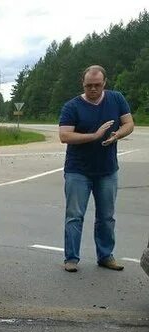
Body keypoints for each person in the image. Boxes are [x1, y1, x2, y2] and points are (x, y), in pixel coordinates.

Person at [59, 65, 134, 273]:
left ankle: (105, 256)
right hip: (78, 170)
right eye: (89, 85)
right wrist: (94, 136)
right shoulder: (72, 106)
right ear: (83, 84)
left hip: (107, 170)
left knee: (107, 216)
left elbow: (129, 123)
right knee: (74, 215)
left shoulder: (116, 99)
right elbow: (65, 136)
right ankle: (71, 258)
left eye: (97, 85)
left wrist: (118, 134)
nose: (93, 89)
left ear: (105, 83)